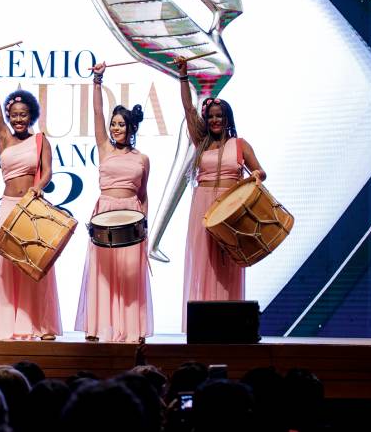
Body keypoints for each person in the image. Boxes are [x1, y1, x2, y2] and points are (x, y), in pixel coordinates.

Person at [174, 56, 266, 329]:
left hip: (231, 206)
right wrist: (183, 75)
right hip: (202, 205)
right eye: (211, 116)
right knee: (205, 262)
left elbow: (260, 171)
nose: (215, 120)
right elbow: (188, 109)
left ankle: (230, 324)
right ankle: (204, 325)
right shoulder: (201, 142)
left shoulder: (240, 144)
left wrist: (256, 178)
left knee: (228, 262)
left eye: (219, 117)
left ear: (227, 119)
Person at [0, 47, 61, 340]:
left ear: (31, 116)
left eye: (23, 115)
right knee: (8, 267)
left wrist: (36, 191)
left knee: (34, 264)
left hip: (32, 207)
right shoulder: (3, 137)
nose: (18, 119)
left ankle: (38, 325)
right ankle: (5, 325)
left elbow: (48, 171)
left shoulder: (41, 141)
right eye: (14, 115)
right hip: (8, 206)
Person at [75, 62, 153, 342]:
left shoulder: (142, 159)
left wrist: (145, 226)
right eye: (113, 124)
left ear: (131, 128)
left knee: (130, 275)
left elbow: (143, 194)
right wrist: (97, 80)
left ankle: (132, 329)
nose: (115, 128)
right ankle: (98, 328)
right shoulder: (104, 147)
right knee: (104, 273)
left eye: (121, 124)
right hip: (105, 212)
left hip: (131, 215)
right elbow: (96, 112)